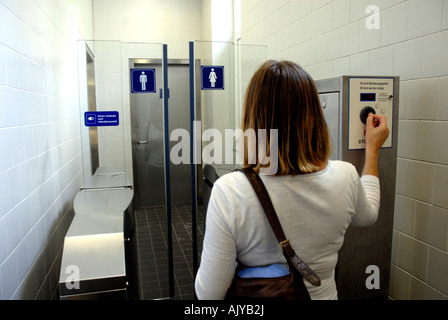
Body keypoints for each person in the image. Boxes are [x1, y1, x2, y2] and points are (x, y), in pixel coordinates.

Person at [194, 60, 390, 300]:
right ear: (314, 116)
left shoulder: (230, 191)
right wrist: (373, 150)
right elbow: (368, 215)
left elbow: (209, 294)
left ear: (253, 120)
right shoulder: (346, 175)